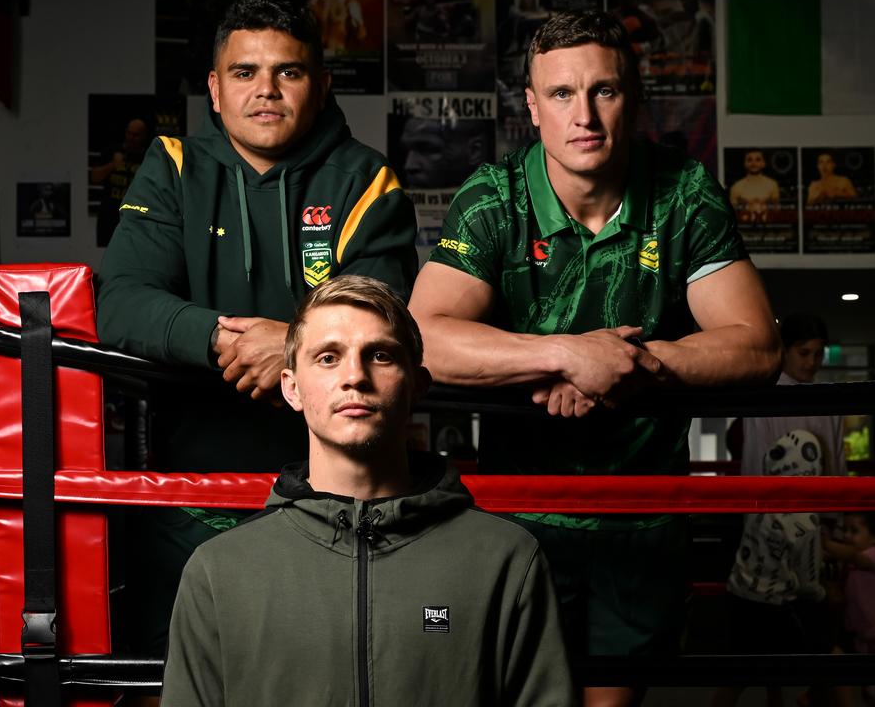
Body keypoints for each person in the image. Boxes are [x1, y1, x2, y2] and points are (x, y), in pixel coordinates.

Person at [407, 10, 780, 707]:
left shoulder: (684, 194)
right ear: (532, 107)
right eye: (561, 94)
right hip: (520, 518)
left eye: (604, 91)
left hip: (640, 516)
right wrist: (566, 356)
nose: (584, 115)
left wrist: (633, 366)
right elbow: (420, 335)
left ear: (633, 97)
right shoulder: (495, 198)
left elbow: (756, 343)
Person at [97, 0, 417, 657]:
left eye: (288, 73)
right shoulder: (175, 167)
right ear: (214, 89)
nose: (265, 91)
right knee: (183, 671)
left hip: (336, 493)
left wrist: (292, 344)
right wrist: (229, 337)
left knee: (328, 668)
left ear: (321, 85)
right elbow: (121, 303)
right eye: (244, 73)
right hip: (193, 486)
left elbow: (384, 312)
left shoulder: (365, 179)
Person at [160, 275, 574, 706]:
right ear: (292, 388)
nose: (355, 376)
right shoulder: (219, 570)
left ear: (418, 386)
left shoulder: (505, 558)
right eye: (327, 358)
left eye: (380, 355)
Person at [712, 429, 827, 707]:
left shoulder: (761, 498)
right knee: (796, 669)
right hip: (775, 606)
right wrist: (823, 595)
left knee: (736, 676)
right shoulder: (806, 520)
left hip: (739, 595)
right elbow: (808, 583)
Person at [736, 313, 846, 479]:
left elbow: (838, 465)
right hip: (779, 501)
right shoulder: (765, 397)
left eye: (818, 354)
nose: (811, 362)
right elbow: (755, 464)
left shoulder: (829, 398)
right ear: (785, 351)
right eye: (803, 353)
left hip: (824, 500)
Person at [824, 512, 875, 707]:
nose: (847, 535)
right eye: (845, 530)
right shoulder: (851, 561)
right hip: (864, 638)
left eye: (854, 531)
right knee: (870, 693)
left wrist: (826, 544)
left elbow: (854, 556)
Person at [728, 149, 780, 224]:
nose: (753, 163)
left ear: (763, 163)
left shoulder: (772, 184)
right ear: (745, 163)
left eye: (758, 160)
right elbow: (732, 212)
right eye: (749, 160)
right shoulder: (736, 187)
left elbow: (777, 209)